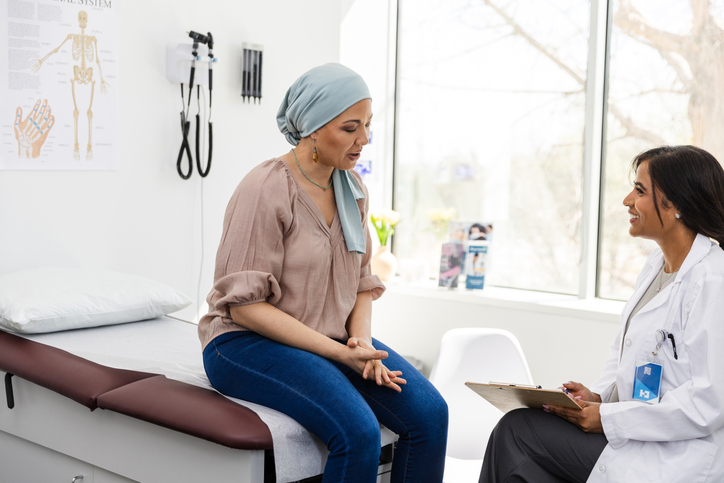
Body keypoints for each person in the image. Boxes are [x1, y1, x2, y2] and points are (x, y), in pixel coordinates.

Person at [199, 63, 448, 483]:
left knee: (429, 414)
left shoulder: (352, 189)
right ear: (313, 128)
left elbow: (363, 284)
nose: (364, 140)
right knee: (358, 431)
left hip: (329, 339)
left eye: (368, 126)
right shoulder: (265, 188)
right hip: (245, 344)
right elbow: (243, 307)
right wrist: (338, 354)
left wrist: (361, 345)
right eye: (350, 128)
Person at [479, 145, 724, 482]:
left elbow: (707, 403)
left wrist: (608, 419)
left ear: (676, 204)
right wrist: (598, 398)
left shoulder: (713, 280)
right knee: (521, 442)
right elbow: (626, 355)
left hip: (676, 456)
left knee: (518, 432)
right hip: (634, 432)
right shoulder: (656, 266)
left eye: (639, 191)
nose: (627, 201)